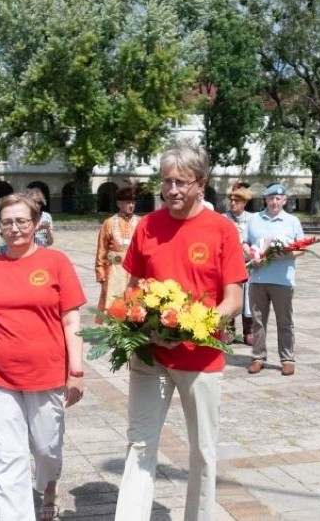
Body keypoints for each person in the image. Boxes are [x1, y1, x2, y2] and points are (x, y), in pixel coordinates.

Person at [114, 143, 246, 521]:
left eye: (180, 182)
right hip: (150, 354)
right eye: (166, 182)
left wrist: (199, 327)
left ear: (200, 182)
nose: (171, 190)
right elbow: (133, 287)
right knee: (140, 443)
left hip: (200, 356)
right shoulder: (148, 226)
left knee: (202, 449)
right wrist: (143, 322)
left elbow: (233, 299)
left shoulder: (221, 229)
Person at [0, 193, 86, 521]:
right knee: (6, 459)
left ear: (35, 224)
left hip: (46, 374)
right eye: (7, 222)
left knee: (47, 449)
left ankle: (48, 485)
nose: (14, 228)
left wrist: (76, 370)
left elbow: (72, 320)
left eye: (21, 221)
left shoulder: (56, 262)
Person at [244, 183, 305, 375]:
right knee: (258, 321)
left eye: (278, 198)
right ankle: (258, 357)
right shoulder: (254, 219)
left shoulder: (292, 221)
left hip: (282, 280)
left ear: (284, 200)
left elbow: (301, 248)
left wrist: (286, 254)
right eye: (271, 198)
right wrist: (251, 254)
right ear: (265, 199)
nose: (274, 202)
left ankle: (287, 358)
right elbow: (245, 243)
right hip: (258, 278)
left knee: (284, 321)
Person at [95, 186, 139, 318]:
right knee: (114, 303)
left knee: (134, 301)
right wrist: (100, 272)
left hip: (135, 271)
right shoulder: (109, 223)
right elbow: (101, 249)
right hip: (114, 270)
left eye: (133, 202)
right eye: (127, 202)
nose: (131, 205)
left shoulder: (141, 222)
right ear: (118, 203)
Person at [223, 186, 253, 345]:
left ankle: (249, 330)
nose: (233, 203)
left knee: (248, 298)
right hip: (228, 265)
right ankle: (228, 330)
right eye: (231, 200)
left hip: (249, 265)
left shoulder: (253, 219)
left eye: (237, 200)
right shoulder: (223, 218)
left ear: (245, 202)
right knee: (229, 295)